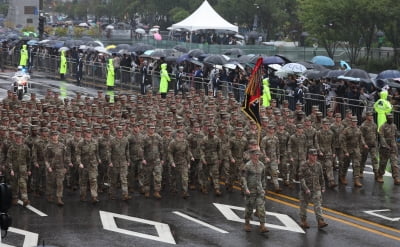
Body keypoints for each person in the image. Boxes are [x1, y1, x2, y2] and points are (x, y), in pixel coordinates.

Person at [298, 148, 328, 229]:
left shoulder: (318, 165)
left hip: (316, 188)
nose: (315, 157)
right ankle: (303, 221)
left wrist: (323, 187)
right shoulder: (303, 165)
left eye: (316, 156)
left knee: (318, 205)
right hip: (305, 189)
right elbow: (301, 178)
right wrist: (305, 188)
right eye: (313, 155)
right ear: (309, 156)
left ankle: (320, 221)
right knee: (303, 206)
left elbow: (321, 177)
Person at [242, 149, 268, 233]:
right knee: (249, 208)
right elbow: (243, 178)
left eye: (258, 155)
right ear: (252, 155)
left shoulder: (262, 165)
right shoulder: (247, 165)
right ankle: (247, 223)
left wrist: (263, 189)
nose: (257, 156)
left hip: (259, 190)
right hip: (250, 190)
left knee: (261, 207)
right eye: (256, 155)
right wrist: (246, 189)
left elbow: (263, 178)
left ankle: (262, 225)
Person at [76, 128, 101, 203]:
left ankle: (94, 196)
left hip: (93, 165)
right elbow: (77, 154)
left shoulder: (95, 142)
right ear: (85, 133)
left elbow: (96, 152)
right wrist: (79, 163)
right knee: (83, 181)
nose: (89, 134)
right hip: (84, 165)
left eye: (90, 132)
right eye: (88, 132)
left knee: (93, 180)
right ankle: (83, 195)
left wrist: (98, 159)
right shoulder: (81, 143)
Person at [44, 131, 69, 206]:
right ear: (51, 136)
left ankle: (59, 198)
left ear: (58, 136)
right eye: (53, 135)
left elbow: (66, 157)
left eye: (56, 135)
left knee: (60, 183)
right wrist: (48, 167)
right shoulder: (48, 146)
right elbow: (46, 158)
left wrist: (66, 167)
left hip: (60, 167)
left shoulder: (62, 145)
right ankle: (49, 195)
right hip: (52, 168)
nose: (55, 137)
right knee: (50, 183)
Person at [7, 132, 31, 206]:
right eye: (17, 137)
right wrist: (11, 169)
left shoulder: (25, 147)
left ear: (22, 138)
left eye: (20, 138)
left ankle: (25, 199)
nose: (19, 139)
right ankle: (15, 198)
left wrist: (29, 169)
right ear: (15, 138)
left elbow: (28, 159)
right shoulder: (12, 147)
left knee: (23, 184)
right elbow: (9, 159)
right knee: (14, 184)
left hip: (23, 169)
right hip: (14, 169)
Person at [377, 114, 400, 185]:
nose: (391, 119)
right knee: (383, 163)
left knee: (394, 163)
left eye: (392, 118)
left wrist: (397, 142)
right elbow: (381, 137)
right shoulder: (383, 127)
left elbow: (396, 135)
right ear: (387, 119)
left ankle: (396, 178)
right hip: (385, 149)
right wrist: (386, 145)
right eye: (390, 118)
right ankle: (380, 175)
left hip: (393, 148)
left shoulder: (394, 126)